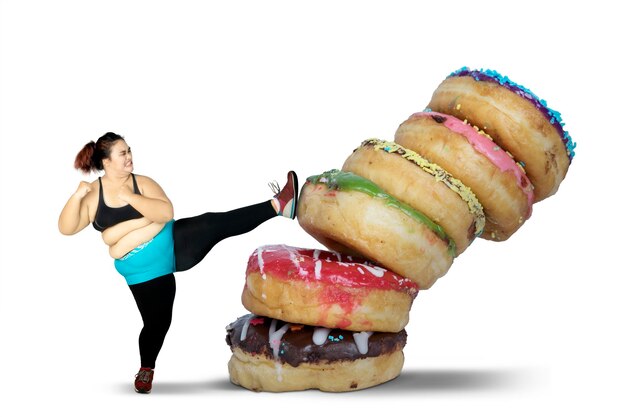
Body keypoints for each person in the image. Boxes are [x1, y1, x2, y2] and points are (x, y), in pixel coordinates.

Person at [58, 132, 298, 394]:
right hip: (147, 273)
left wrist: (131, 199)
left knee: (213, 223)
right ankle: (146, 369)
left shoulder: (142, 183)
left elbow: (165, 213)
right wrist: (77, 197)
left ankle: (278, 206)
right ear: (106, 162)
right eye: (122, 153)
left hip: (175, 242)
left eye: (129, 151)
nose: (129, 157)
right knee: (157, 324)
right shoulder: (94, 194)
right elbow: (67, 228)